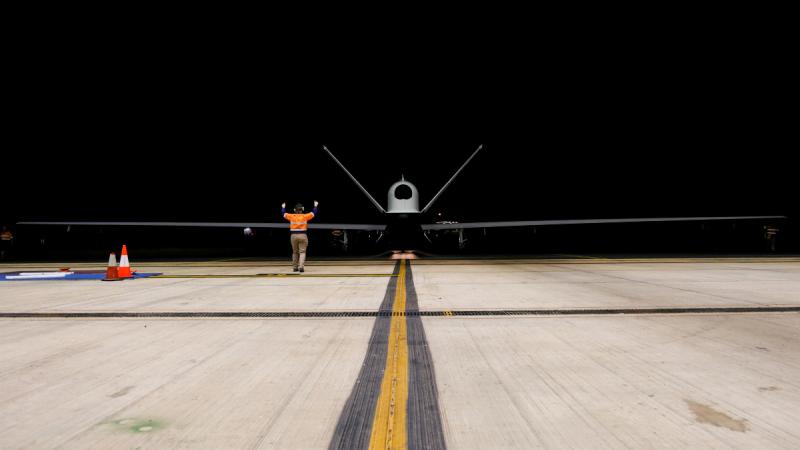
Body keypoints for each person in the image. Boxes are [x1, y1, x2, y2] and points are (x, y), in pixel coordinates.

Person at [282, 200, 318, 272]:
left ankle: (295, 267)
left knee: (295, 252)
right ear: (303, 209)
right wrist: (315, 206)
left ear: (294, 210)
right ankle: (301, 267)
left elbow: (283, 214)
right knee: (302, 252)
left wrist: (283, 207)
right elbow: (314, 213)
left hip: (293, 236)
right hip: (303, 235)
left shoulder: (291, 216)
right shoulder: (305, 216)